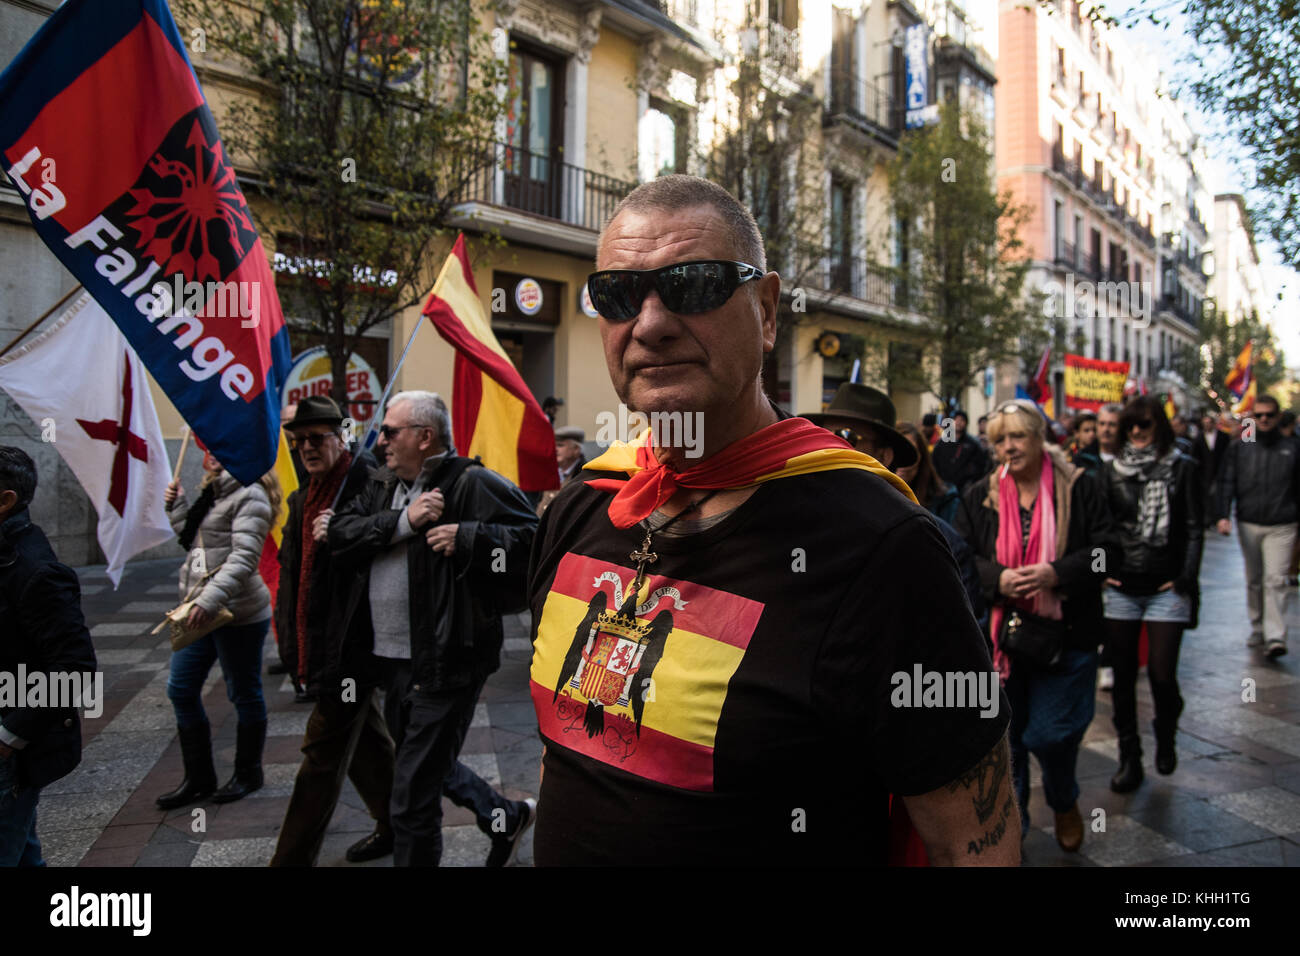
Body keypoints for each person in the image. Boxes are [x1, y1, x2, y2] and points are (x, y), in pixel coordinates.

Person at [530, 174, 1018, 866]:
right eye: (616, 295)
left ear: (765, 310)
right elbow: (566, 754)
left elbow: (971, 844)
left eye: (694, 284)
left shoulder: (881, 546)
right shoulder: (585, 502)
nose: (650, 322)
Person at [329, 390, 539, 866]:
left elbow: (535, 539)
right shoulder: (382, 484)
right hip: (391, 660)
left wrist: (470, 537)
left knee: (410, 800)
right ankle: (504, 816)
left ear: (425, 437)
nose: (379, 440)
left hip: (447, 661)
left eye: (390, 431)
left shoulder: (472, 482)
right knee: (423, 765)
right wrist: (403, 520)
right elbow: (339, 535)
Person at [955, 400, 1117, 852]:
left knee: (1049, 735)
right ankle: (1015, 830)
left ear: (1039, 437)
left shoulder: (1080, 487)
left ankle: (1064, 799)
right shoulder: (981, 494)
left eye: (1018, 436)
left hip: (1068, 638)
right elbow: (959, 556)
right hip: (1004, 640)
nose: (1009, 447)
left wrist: (1057, 572)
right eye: (1000, 439)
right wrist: (997, 578)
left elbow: (1109, 553)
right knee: (1009, 746)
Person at [269, 397, 396, 866]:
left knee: (320, 758)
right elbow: (292, 577)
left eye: (316, 438)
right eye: (298, 441)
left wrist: (346, 529)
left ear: (341, 437)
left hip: (353, 649)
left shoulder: (366, 484)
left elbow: (389, 535)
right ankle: (397, 823)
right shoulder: (303, 497)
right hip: (319, 646)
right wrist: (290, 642)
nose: (306, 448)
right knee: (367, 746)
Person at [159, 441, 280, 808]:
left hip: (238, 614)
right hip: (201, 612)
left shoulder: (250, 495)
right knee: (180, 688)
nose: (208, 449)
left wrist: (210, 601)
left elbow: (244, 559)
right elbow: (196, 546)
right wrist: (177, 506)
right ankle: (198, 778)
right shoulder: (213, 491)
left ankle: (247, 773)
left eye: (217, 444)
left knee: (244, 693)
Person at [808, 398, 986, 630]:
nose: (829, 447)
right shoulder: (797, 526)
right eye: (822, 434)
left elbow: (963, 642)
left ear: (884, 456)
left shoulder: (933, 540)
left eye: (846, 436)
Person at [1099, 396, 1203, 792]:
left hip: (1166, 586)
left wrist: (1184, 578)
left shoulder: (1183, 468)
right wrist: (1101, 572)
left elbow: (1195, 527)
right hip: (1122, 587)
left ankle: (1166, 729)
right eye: (1131, 427)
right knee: (1122, 677)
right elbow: (1100, 529)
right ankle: (1130, 756)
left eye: (1145, 426)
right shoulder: (1109, 474)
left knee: (1161, 674)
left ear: (1159, 427)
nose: (1138, 434)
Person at [0, 447, 97, 866]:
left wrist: (7, 738)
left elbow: (75, 669)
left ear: (5, 500)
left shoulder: (35, 569)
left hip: (12, 752)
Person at [1215, 394, 1298, 658]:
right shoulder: (1241, 448)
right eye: (1259, 415)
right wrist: (1223, 514)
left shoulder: (1293, 447)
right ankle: (1258, 626)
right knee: (1254, 578)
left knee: (1275, 579)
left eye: (1269, 415)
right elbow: (1227, 481)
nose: (1264, 419)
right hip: (1249, 522)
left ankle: (1275, 635)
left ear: (1277, 416)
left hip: (1283, 523)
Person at [895, 421, 960, 525]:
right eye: (895, 452)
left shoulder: (945, 501)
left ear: (922, 457)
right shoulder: (872, 495)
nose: (902, 463)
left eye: (909, 453)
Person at [931, 409, 991, 494]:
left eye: (962, 420)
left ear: (966, 423)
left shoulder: (973, 443)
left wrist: (971, 481)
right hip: (944, 486)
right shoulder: (942, 442)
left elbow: (980, 464)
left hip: (965, 488)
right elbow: (935, 461)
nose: (958, 422)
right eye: (956, 419)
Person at [536, 425, 586, 517]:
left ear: (576, 449)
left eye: (560, 445)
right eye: (553, 445)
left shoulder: (585, 475)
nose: (555, 449)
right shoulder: (548, 472)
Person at [1068, 411, 1103, 477]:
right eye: (1086, 430)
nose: (1091, 434)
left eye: (1094, 430)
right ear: (1076, 433)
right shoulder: (1068, 454)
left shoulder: (1101, 455)